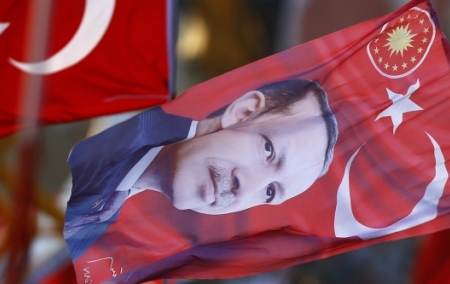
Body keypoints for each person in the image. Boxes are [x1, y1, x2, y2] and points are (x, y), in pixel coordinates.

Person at [64, 78, 338, 258]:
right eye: (269, 150)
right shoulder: (112, 110)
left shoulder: (108, 218)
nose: (246, 187)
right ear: (244, 112)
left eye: (269, 192)